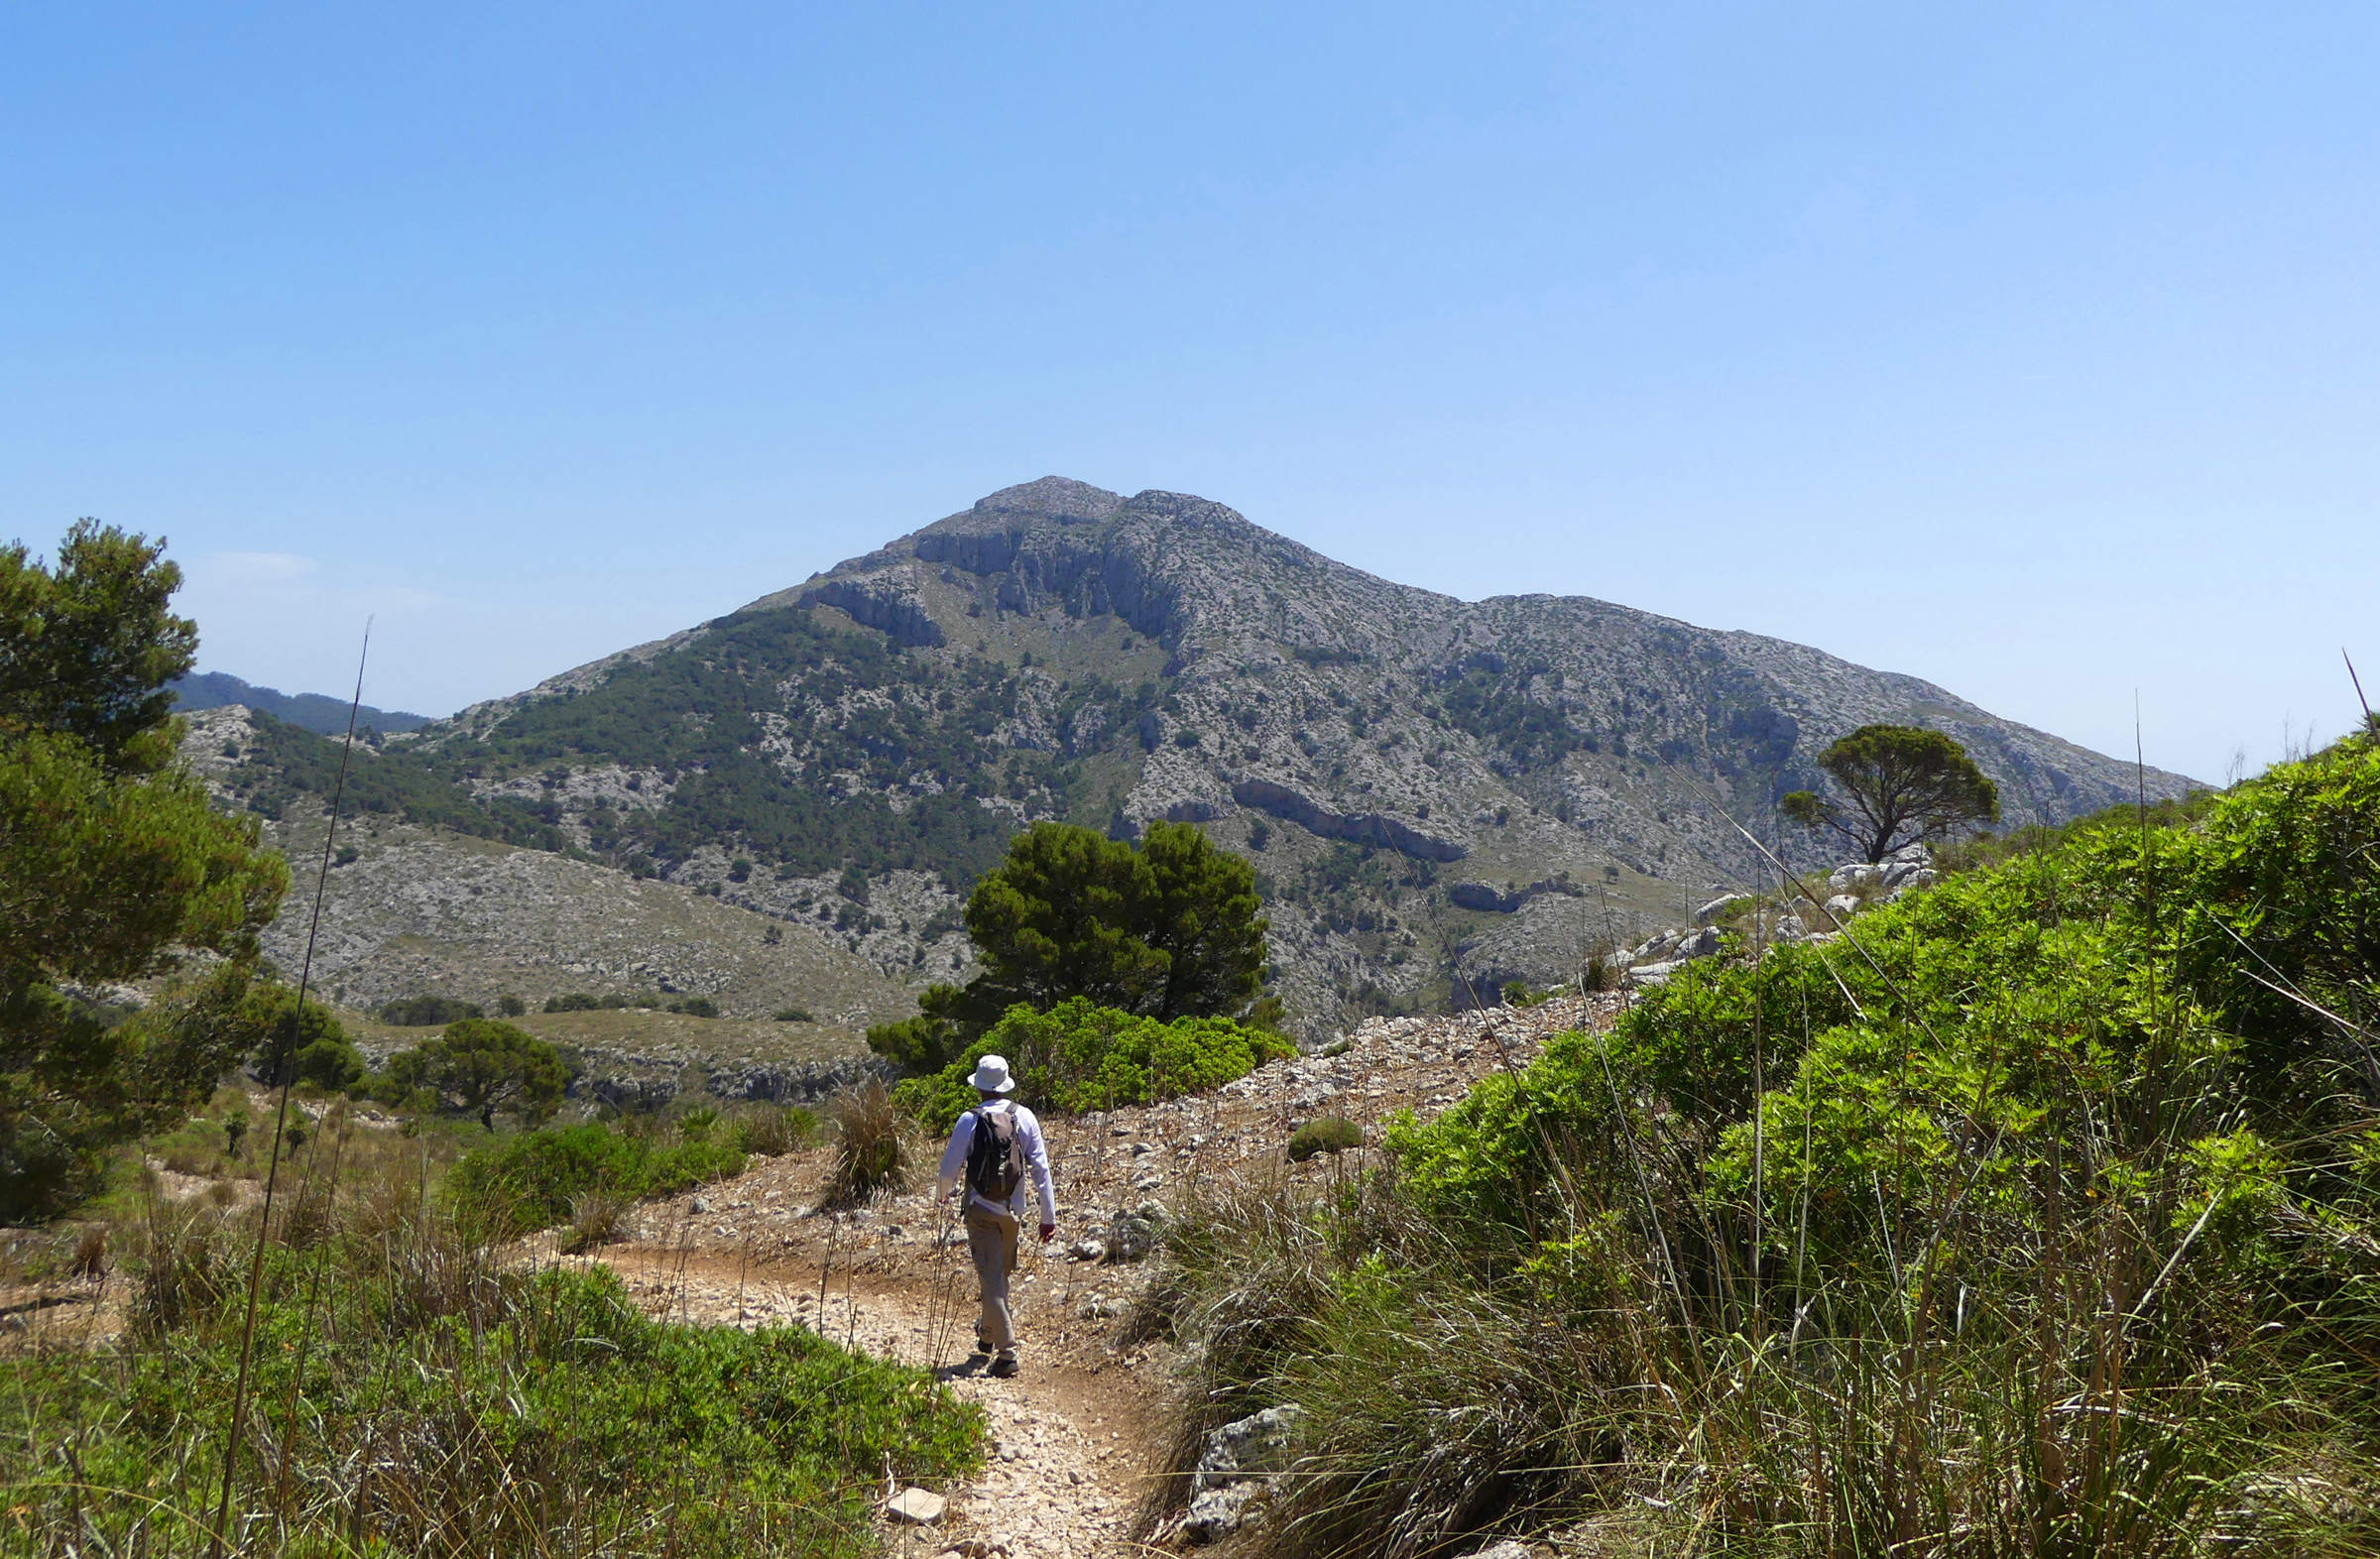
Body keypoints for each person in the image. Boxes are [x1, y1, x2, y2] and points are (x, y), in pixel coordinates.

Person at [935, 1053, 1057, 1379]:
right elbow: (1042, 1170)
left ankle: (1007, 1355)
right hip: (1013, 1212)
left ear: (979, 1086)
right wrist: (1049, 1216)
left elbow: (949, 1168)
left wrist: (942, 1194)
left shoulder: (968, 1120)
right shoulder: (1025, 1116)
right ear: (1004, 1084)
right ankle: (987, 1336)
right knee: (998, 1277)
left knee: (992, 1281)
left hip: (980, 1211)